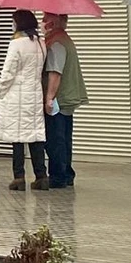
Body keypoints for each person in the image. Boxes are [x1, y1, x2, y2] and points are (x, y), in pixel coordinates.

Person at [0, 10, 48, 191]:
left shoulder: (16, 44)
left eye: (13, 22)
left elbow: (8, 72)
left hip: (16, 95)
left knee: (17, 137)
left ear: (19, 24)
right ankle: (41, 175)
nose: (12, 25)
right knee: (35, 135)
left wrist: (0, 90)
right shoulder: (41, 43)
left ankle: (19, 177)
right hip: (35, 94)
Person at [43, 12, 88, 189]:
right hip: (67, 97)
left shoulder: (56, 43)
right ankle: (67, 174)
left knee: (56, 138)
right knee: (64, 137)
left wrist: (49, 97)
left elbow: (55, 72)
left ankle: (58, 176)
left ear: (58, 20)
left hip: (59, 98)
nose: (44, 21)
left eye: (47, 18)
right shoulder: (64, 40)